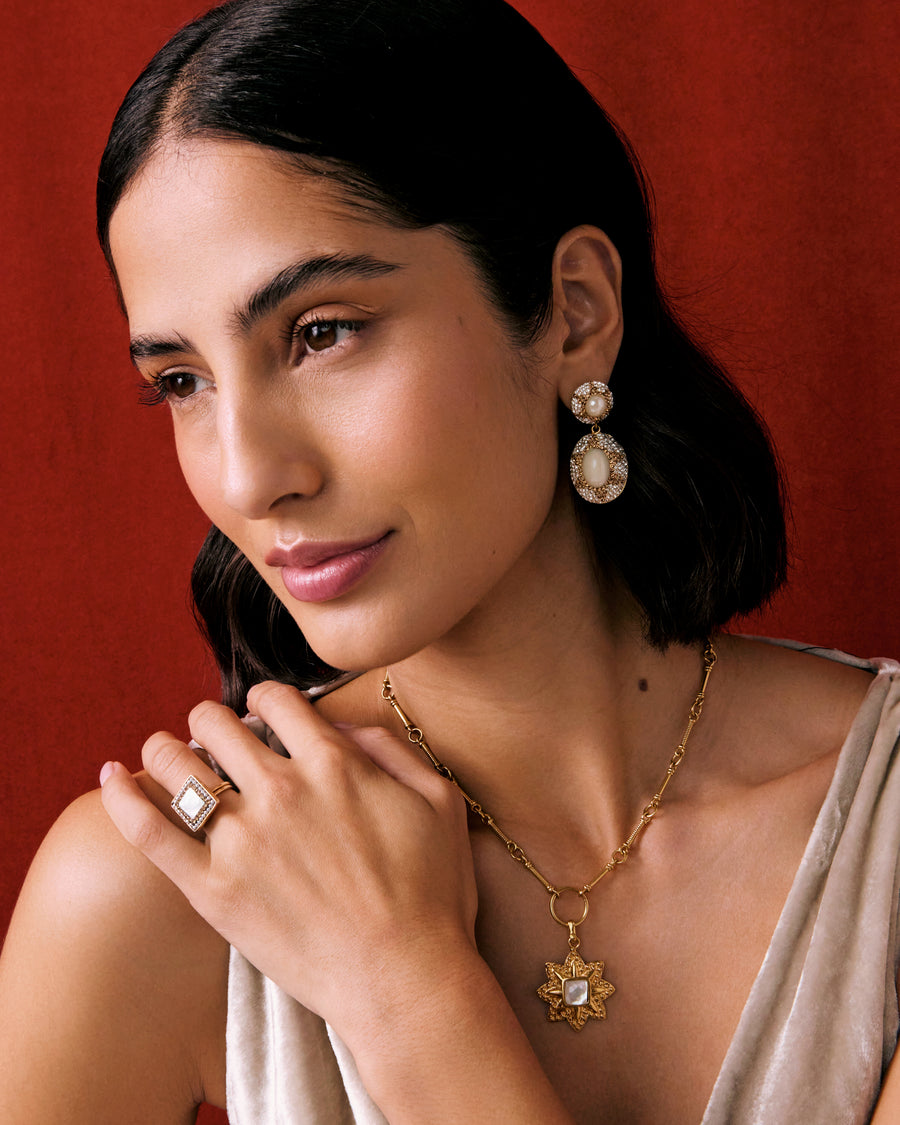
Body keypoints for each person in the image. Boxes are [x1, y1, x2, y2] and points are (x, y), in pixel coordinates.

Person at [1, 0, 897, 1121]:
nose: (246, 476)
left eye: (322, 332)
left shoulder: (884, 825)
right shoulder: (153, 888)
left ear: (573, 314)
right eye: (183, 381)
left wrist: (406, 990)